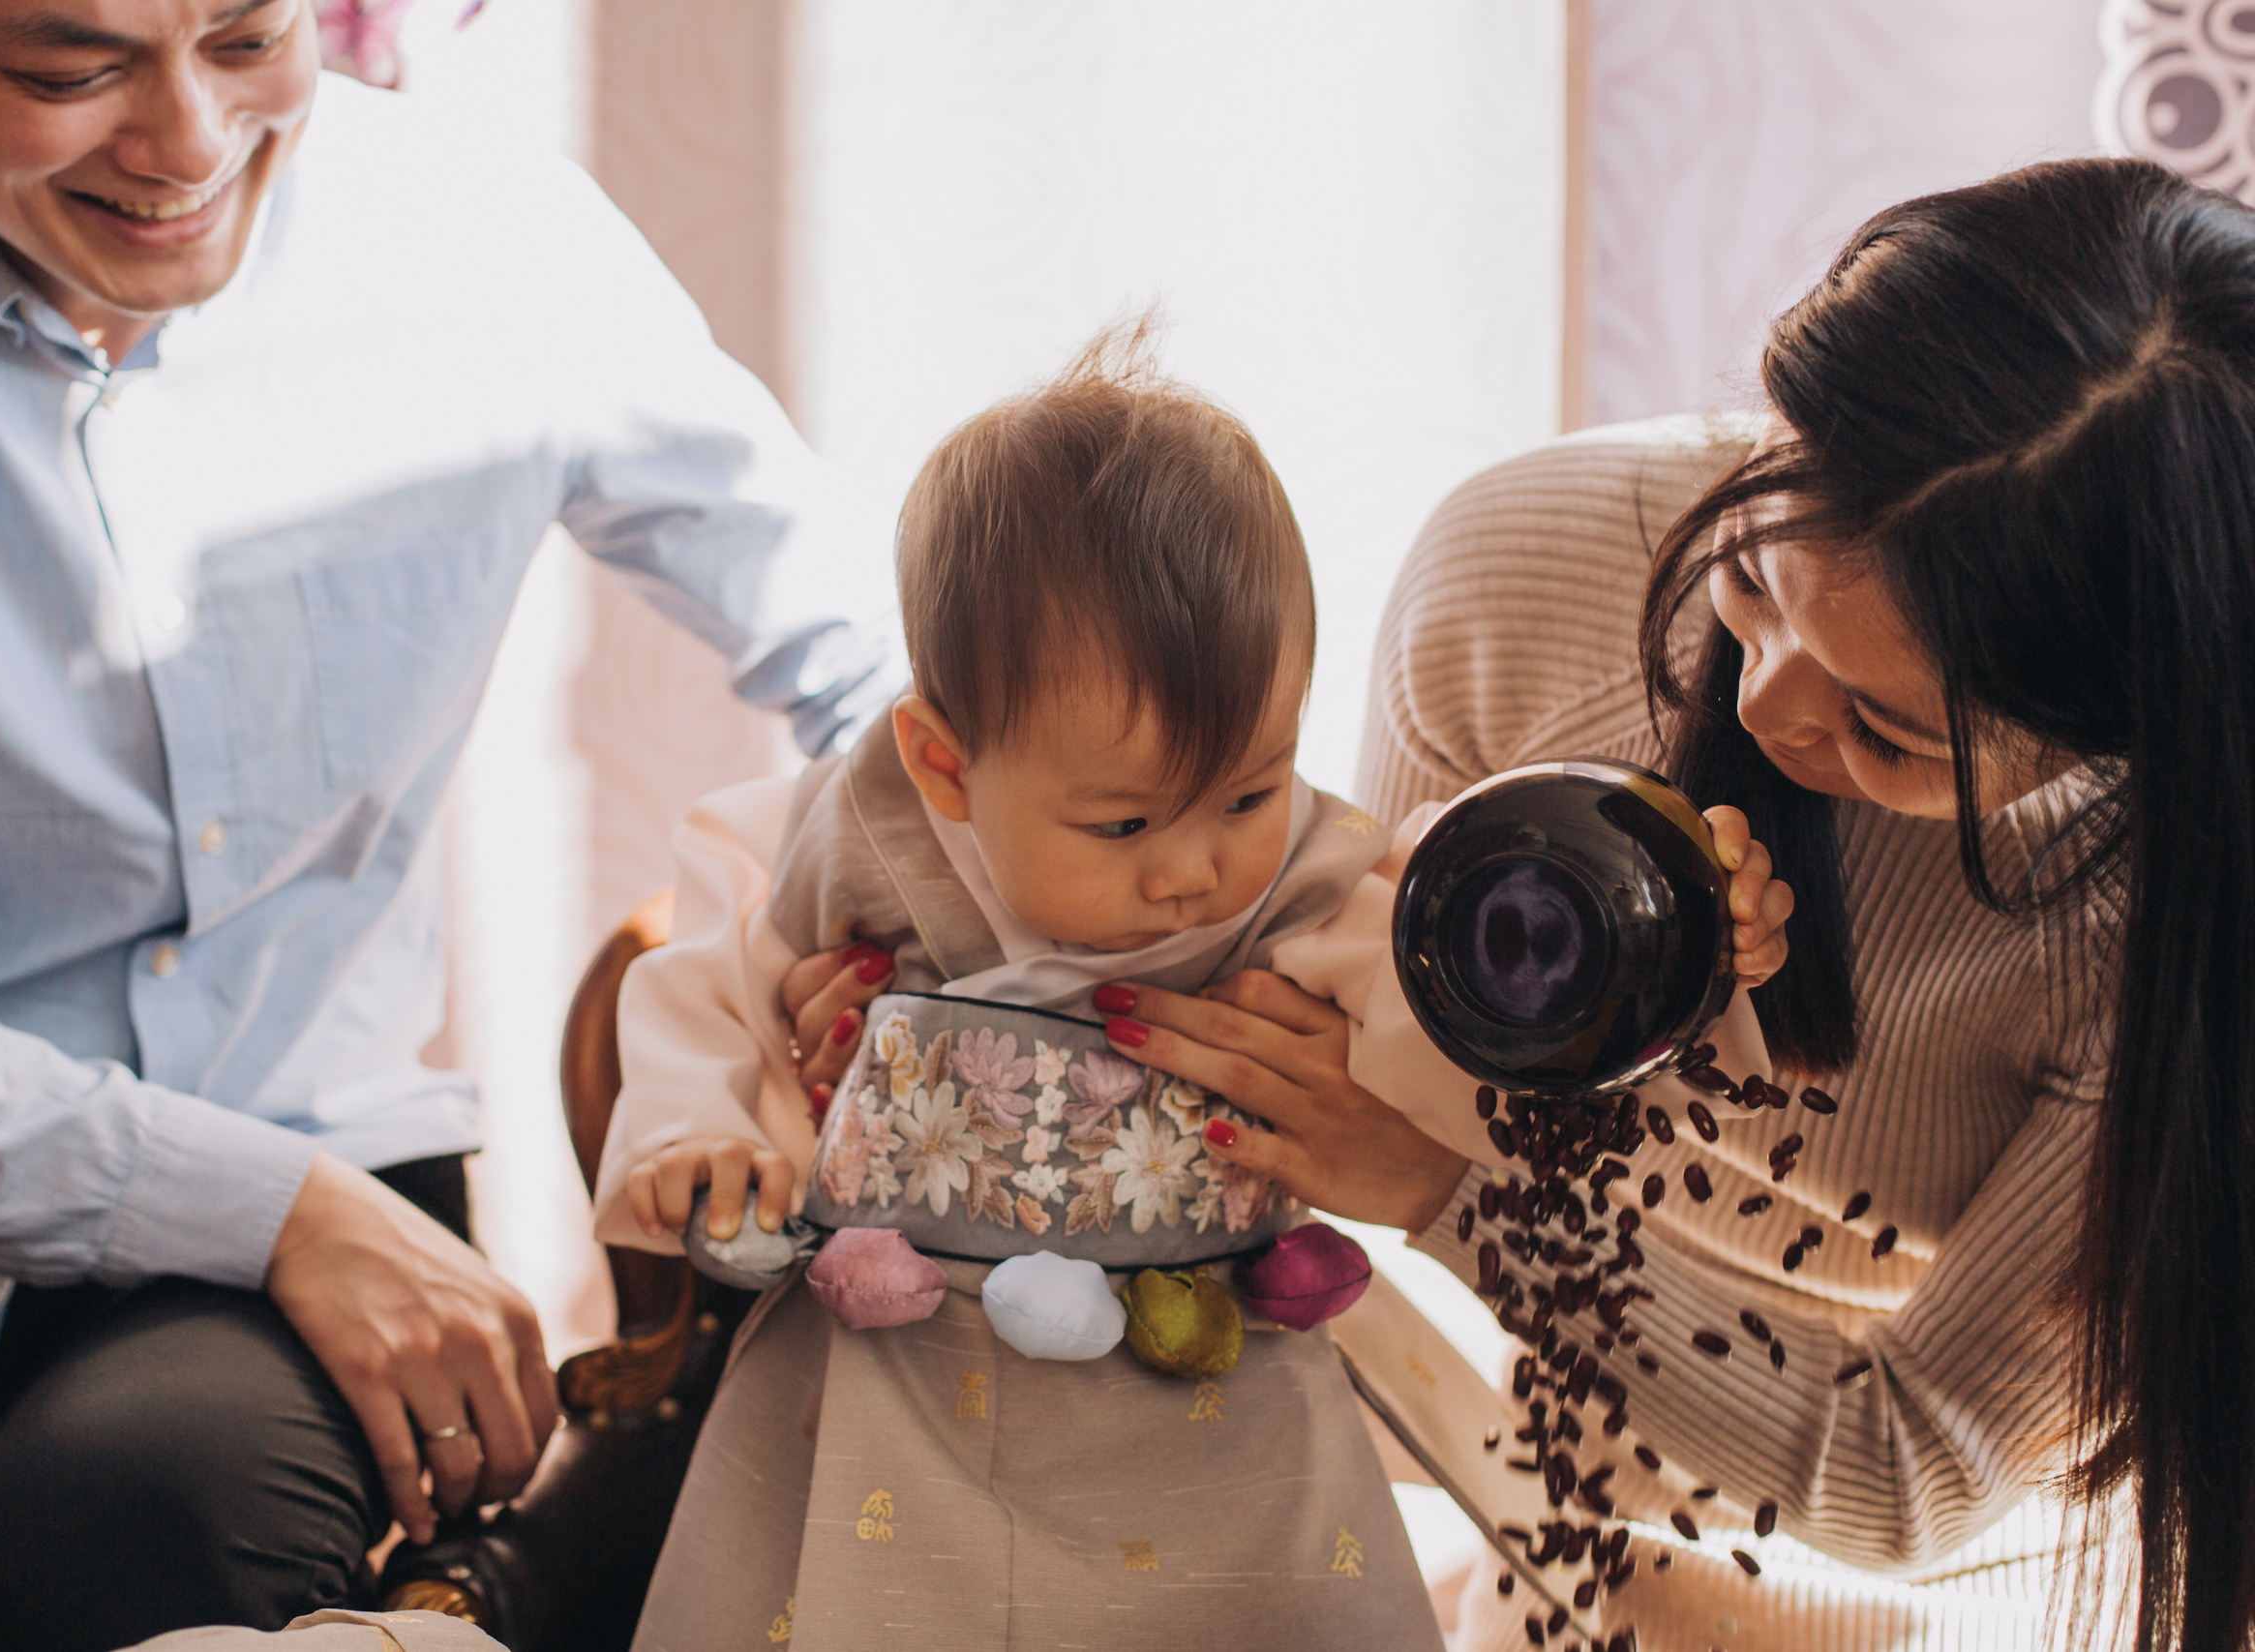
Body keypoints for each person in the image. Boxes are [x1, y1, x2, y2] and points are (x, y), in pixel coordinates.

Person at [0, 0, 884, 1644]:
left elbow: (887, 667)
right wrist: (264, 1205)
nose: (190, 146)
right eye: (71, 70)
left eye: (247, 34)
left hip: (308, 1209)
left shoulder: (486, 238)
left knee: (131, 1536)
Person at [1066, 157, 2255, 1648]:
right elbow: (1316, 1016)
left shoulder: (2173, 918)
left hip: (1966, 1603)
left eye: (1887, 732)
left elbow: (1908, 1472)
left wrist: (1449, 1198)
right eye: (1750, 584)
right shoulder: (1511, 574)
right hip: (1546, 1526)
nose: (1767, 710)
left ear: (2115, 736)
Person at [588, 333, 1770, 1651]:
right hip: (895, 1385)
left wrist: (1659, 956)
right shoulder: (856, 830)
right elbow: (716, 967)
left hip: (1206, 1393)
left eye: (1250, 793)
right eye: (1124, 825)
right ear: (944, 763)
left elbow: (1470, 1031)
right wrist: (703, 1127)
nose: (1196, 872)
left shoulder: (1313, 884)